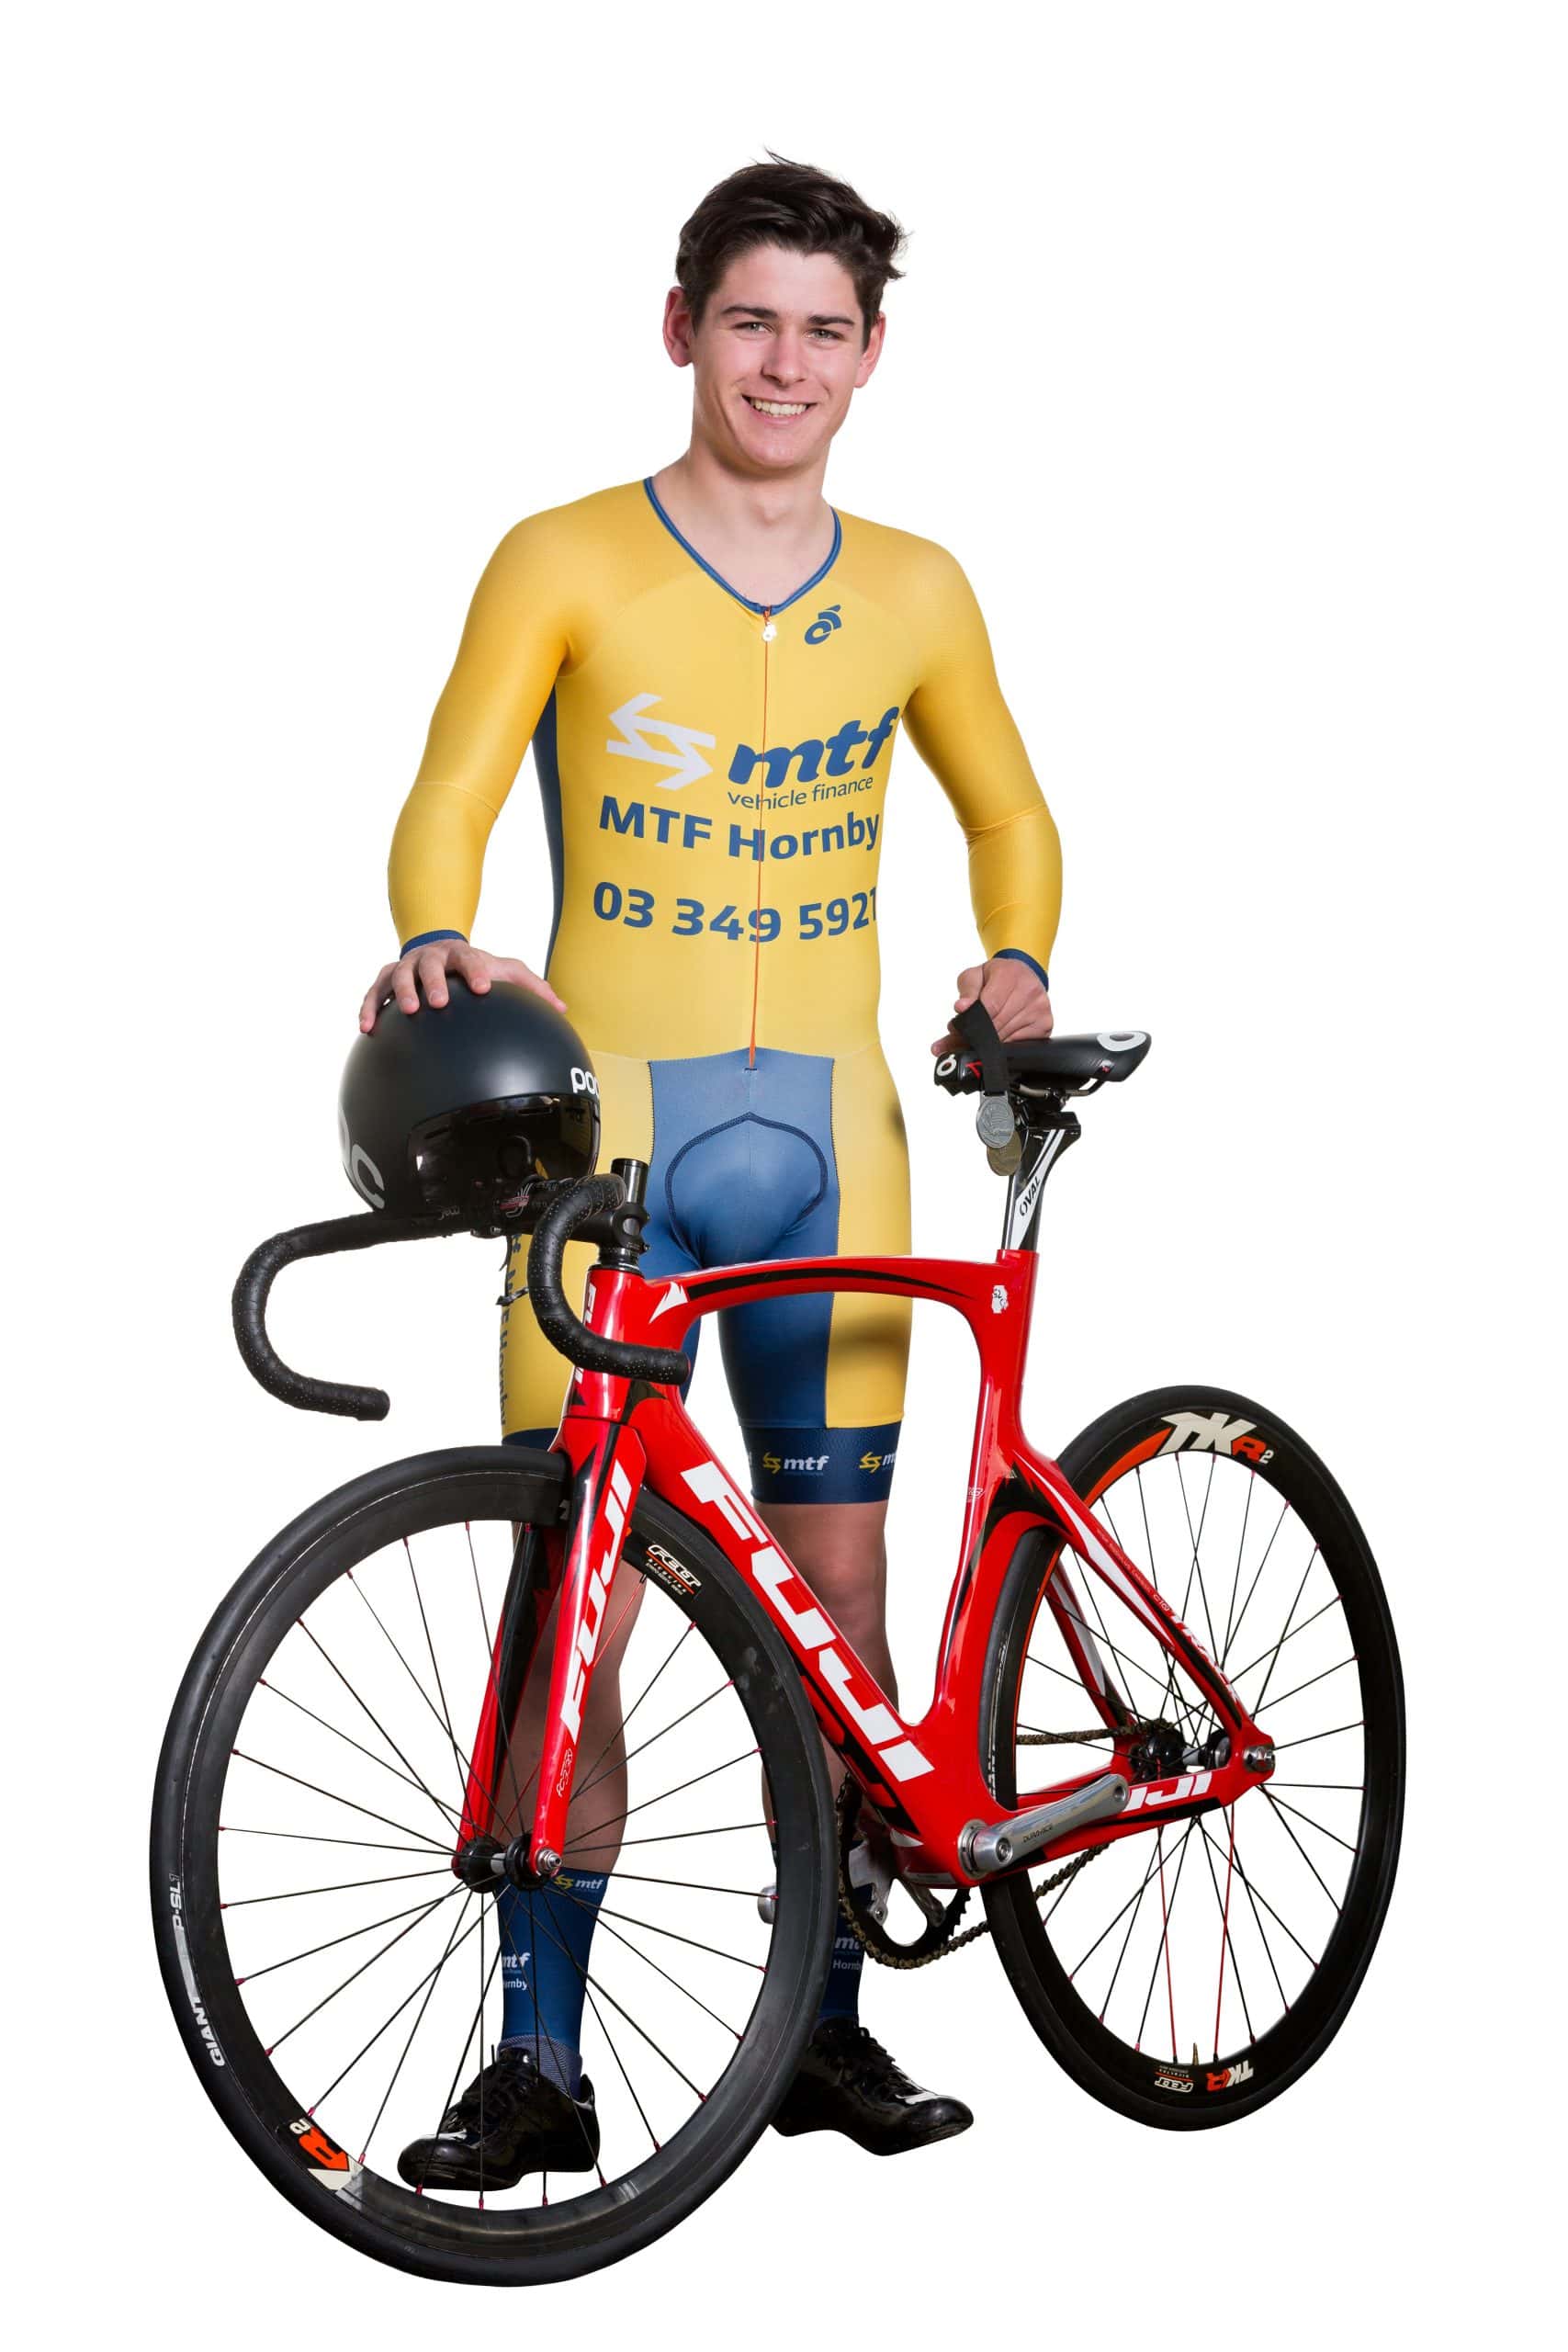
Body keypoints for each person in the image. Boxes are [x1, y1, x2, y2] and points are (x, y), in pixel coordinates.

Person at [365, 154, 1060, 2183]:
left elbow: (1011, 812)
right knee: (560, 1605)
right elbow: (446, 799)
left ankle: (825, 2026)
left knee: (829, 1597)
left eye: (822, 329)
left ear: (868, 355)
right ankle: (538, 2061)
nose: (783, 361)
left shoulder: (916, 587)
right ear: (682, 329)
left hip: (829, 1147)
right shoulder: (563, 557)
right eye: (747, 319)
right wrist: (438, 928)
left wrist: (1011, 955)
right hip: (615, 1149)